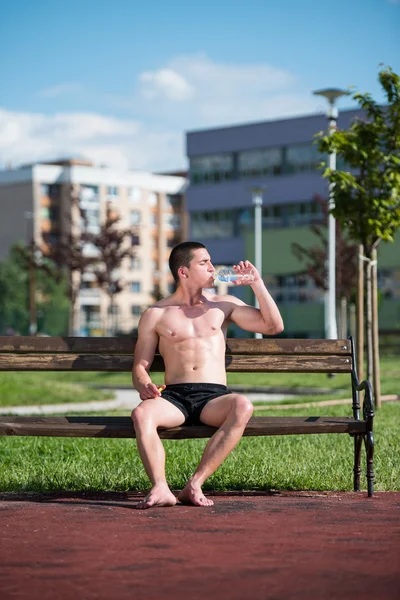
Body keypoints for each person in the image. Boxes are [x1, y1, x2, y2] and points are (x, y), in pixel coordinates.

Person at [131, 241, 284, 509]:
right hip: (174, 397)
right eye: (204, 263)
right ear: (183, 272)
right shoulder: (156, 314)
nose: (213, 268)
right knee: (141, 413)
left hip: (213, 398)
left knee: (242, 406)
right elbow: (140, 366)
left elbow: (273, 326)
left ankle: (195, 484)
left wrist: (256, 283)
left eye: (211, 262)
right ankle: (160, 487)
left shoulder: (223, 305)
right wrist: (144, 384)